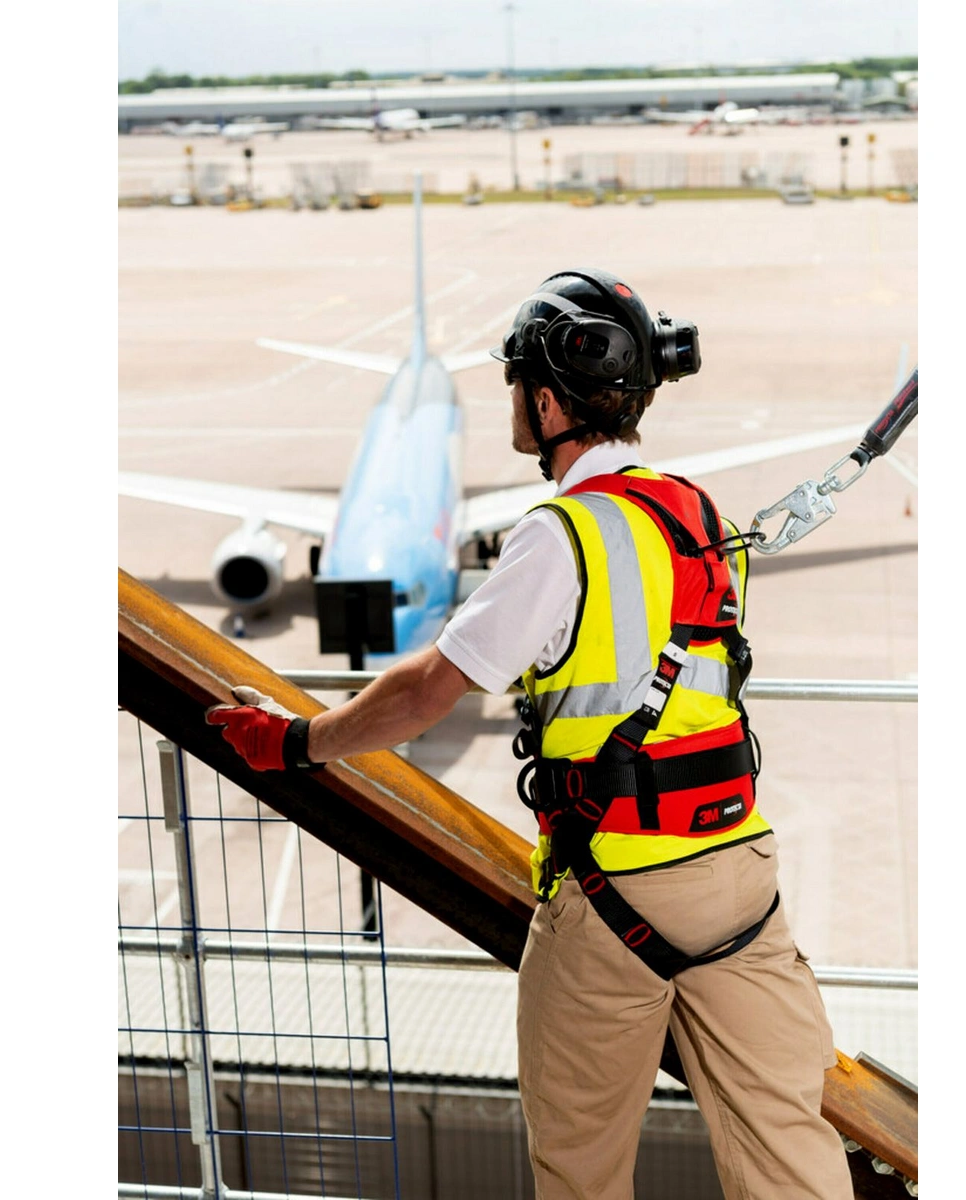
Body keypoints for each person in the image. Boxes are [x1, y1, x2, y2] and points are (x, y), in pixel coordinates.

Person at [207, 269, 854, 1200]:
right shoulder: (699, 514)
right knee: (789, 1157)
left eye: (516, 383)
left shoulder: (562, 534)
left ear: (547, 403)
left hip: (611, 883)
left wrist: (297, 741)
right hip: (737, 874)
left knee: (580, 1167)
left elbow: (430, 688)